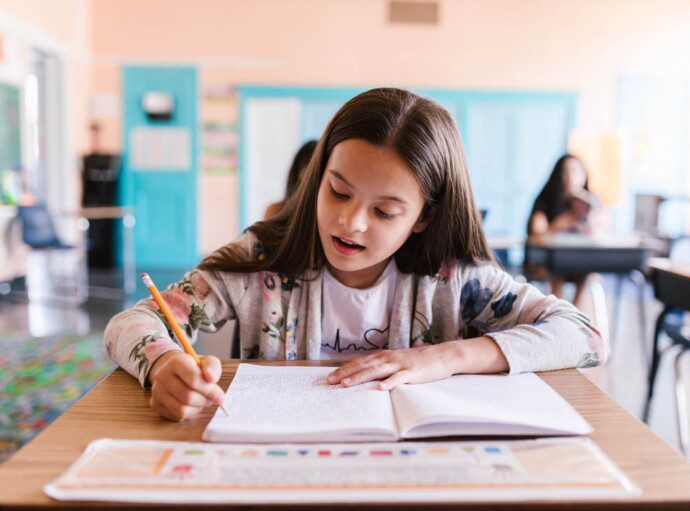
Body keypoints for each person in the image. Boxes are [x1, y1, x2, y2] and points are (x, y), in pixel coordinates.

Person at [104, 89, 606, 422]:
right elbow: (132, 322)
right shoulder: (264, 258)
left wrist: (446, 357)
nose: (350, 223)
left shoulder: (453, 275)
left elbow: (586, 335)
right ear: (317, 176)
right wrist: (165, 362)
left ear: (424, 217)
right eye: (338, 192)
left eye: (385, 211)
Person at [526, 154, 603, 304]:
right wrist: (556, 226)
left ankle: (573, 313)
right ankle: (560, 312)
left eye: (575, 171)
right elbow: (536, 231)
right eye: (566, 171)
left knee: (585, 270)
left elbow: (602, 233)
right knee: (559, 267)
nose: (570, 177)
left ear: (584, 175)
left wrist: (593, 224)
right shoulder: (546, 201)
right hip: (550, 263)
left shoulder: (591, 203)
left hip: (580, 263)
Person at [263, 140, 317, 220]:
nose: (317, 176)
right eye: (312, 168)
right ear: (300, 171)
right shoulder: (276, 211)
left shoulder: (321, 214)